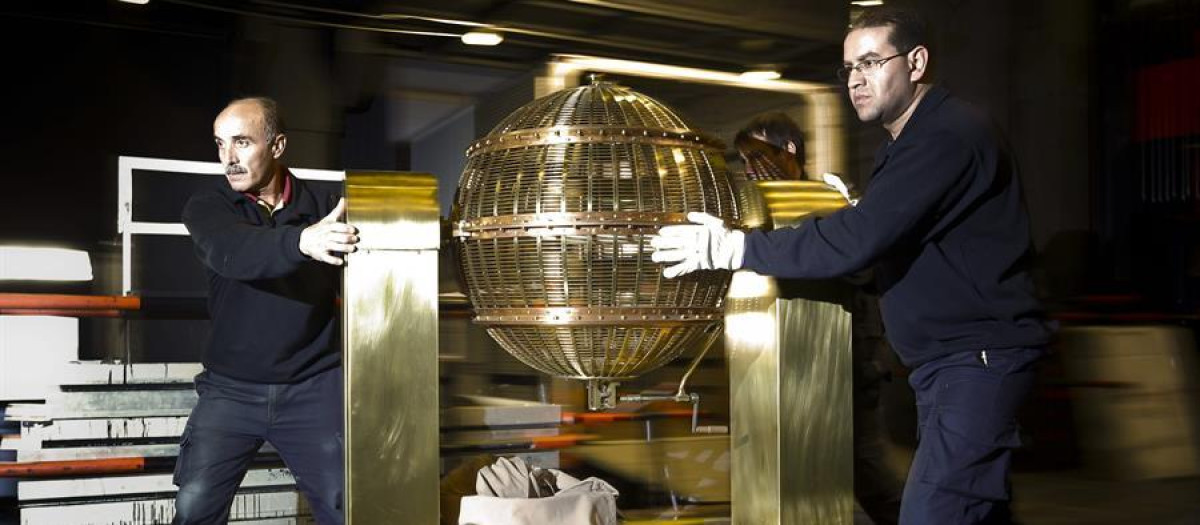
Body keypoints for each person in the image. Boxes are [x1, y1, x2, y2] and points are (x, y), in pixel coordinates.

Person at [652, 7, 1054, 524]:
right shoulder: (905, 145)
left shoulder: (946, 135)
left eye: (870, 63)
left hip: (977, 361)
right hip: (949, 364)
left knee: (934, 512)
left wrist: (736, 249)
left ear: (916, 62)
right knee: (972, 510)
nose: (856, 81)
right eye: (848, 69)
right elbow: (874, 252)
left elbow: (860, 241)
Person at [176, 97, 359, 525]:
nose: (228, 158)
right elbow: (232, 252)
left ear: (277, 146)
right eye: (220, 144)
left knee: (346, 507)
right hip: (231, 391)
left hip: (314, 388)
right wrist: (302, 242)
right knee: (194, 509)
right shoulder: (209, 206)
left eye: (242, 142)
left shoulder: (326, 208)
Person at [735, 112, 903, 525]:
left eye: (757, 155)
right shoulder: (770, 206)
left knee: (864, 468)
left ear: (789, 149)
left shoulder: (834, 200)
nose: (750, 168)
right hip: (795, 366)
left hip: (847, 359)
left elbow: (860, 267)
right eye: (745, 160)